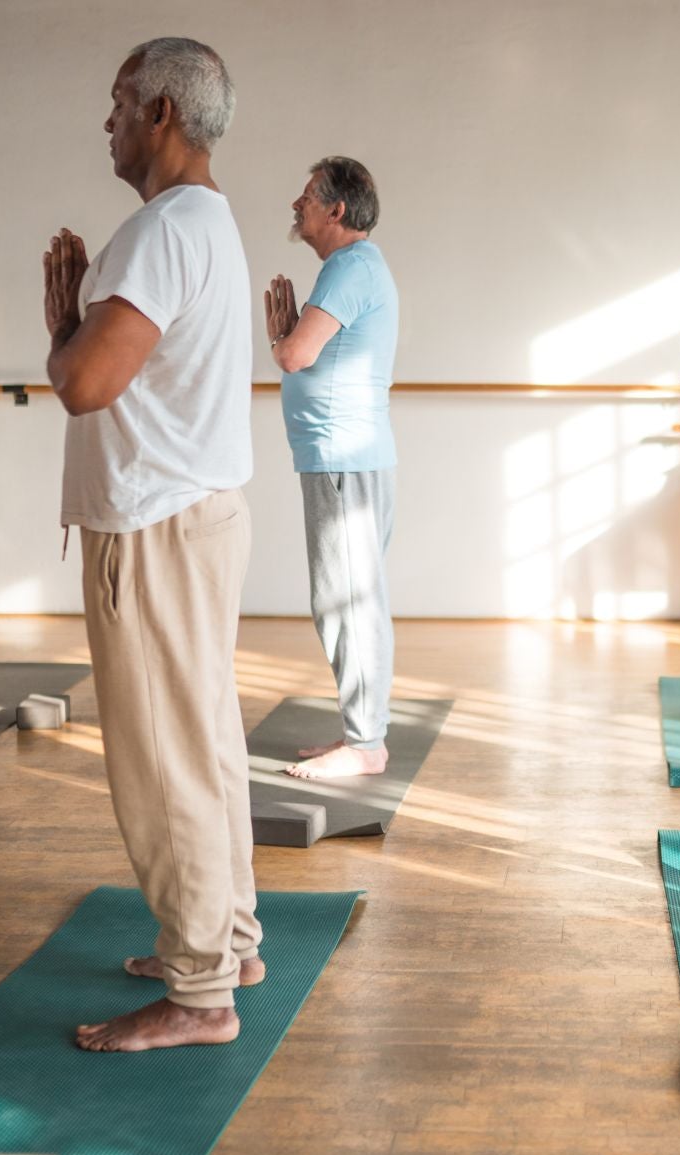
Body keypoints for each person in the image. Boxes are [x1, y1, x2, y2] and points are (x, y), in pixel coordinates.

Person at [42, 37, 261, 1051]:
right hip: (197, 511)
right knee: (207, 737)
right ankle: (231, 941)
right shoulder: (207, 223)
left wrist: (60, 318)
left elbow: (86, 381)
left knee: (164, 760)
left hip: (154, 524)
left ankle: (200, 988)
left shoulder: (162, 230)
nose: (110, 121)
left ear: (162, 110)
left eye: (121, 102)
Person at [264, 157, 399, 780]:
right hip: (344, 458)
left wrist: (280, 338)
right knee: (344, 597)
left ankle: (366, 743)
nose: (296, 205)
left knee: (347, 600)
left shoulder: (348, 267)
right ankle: (361, 732)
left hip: (344, 459)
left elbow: (295, 355)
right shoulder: (351, 268)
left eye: (306, 197)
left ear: (336, 210)